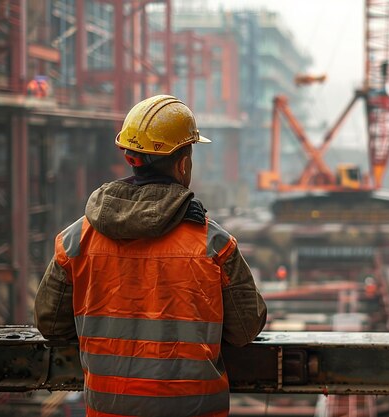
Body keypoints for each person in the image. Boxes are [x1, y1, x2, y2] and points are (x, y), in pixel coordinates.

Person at [34, 95, 267, 417]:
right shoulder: (213, 244)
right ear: (183, 163)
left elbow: (51, 324)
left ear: (130, 158)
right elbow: (245, 330)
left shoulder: (75, 240)